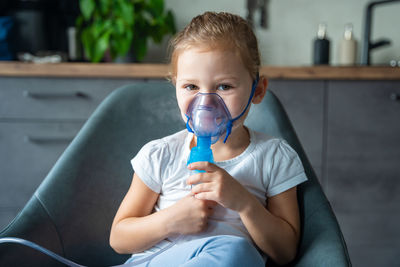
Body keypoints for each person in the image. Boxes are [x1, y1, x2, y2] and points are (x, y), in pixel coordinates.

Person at [109, 11, 307, 267]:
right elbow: (119, 238)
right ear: (176, 87)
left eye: (224, 86)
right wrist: (170, 220)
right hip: (156, 261)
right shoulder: (161, 154)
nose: (206, 102)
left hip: (230, 259)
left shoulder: (274, 157)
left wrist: (244, 203)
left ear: (257, 90)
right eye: (191, 87)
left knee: (235, 251)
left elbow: (285, 251)